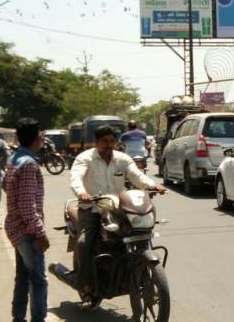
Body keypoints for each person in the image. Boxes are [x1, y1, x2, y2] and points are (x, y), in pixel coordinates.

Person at [70, 124, 167, 310]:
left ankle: (146, 276)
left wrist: (153, 186)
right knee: (84, 243)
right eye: (104, 141)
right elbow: (76, 177)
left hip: (118, 209)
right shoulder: (85, 158)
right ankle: (87, 288)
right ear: (96, 142)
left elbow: (137, 176)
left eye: (111, 141)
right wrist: (81, 192)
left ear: (116, 142)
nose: (108, 144)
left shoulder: (122, 158)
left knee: (142, 231)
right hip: (92, 208)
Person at [2, 118, 48, 322]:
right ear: (36, 138)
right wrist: (40, 232)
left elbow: (6, 185)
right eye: (41, 136)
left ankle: (18, 318)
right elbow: (27, 205)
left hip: (14, 227)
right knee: (38, 280)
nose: (42, 139)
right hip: (27, 232)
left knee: (23, 276)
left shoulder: (14, 158)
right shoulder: (29, 164)